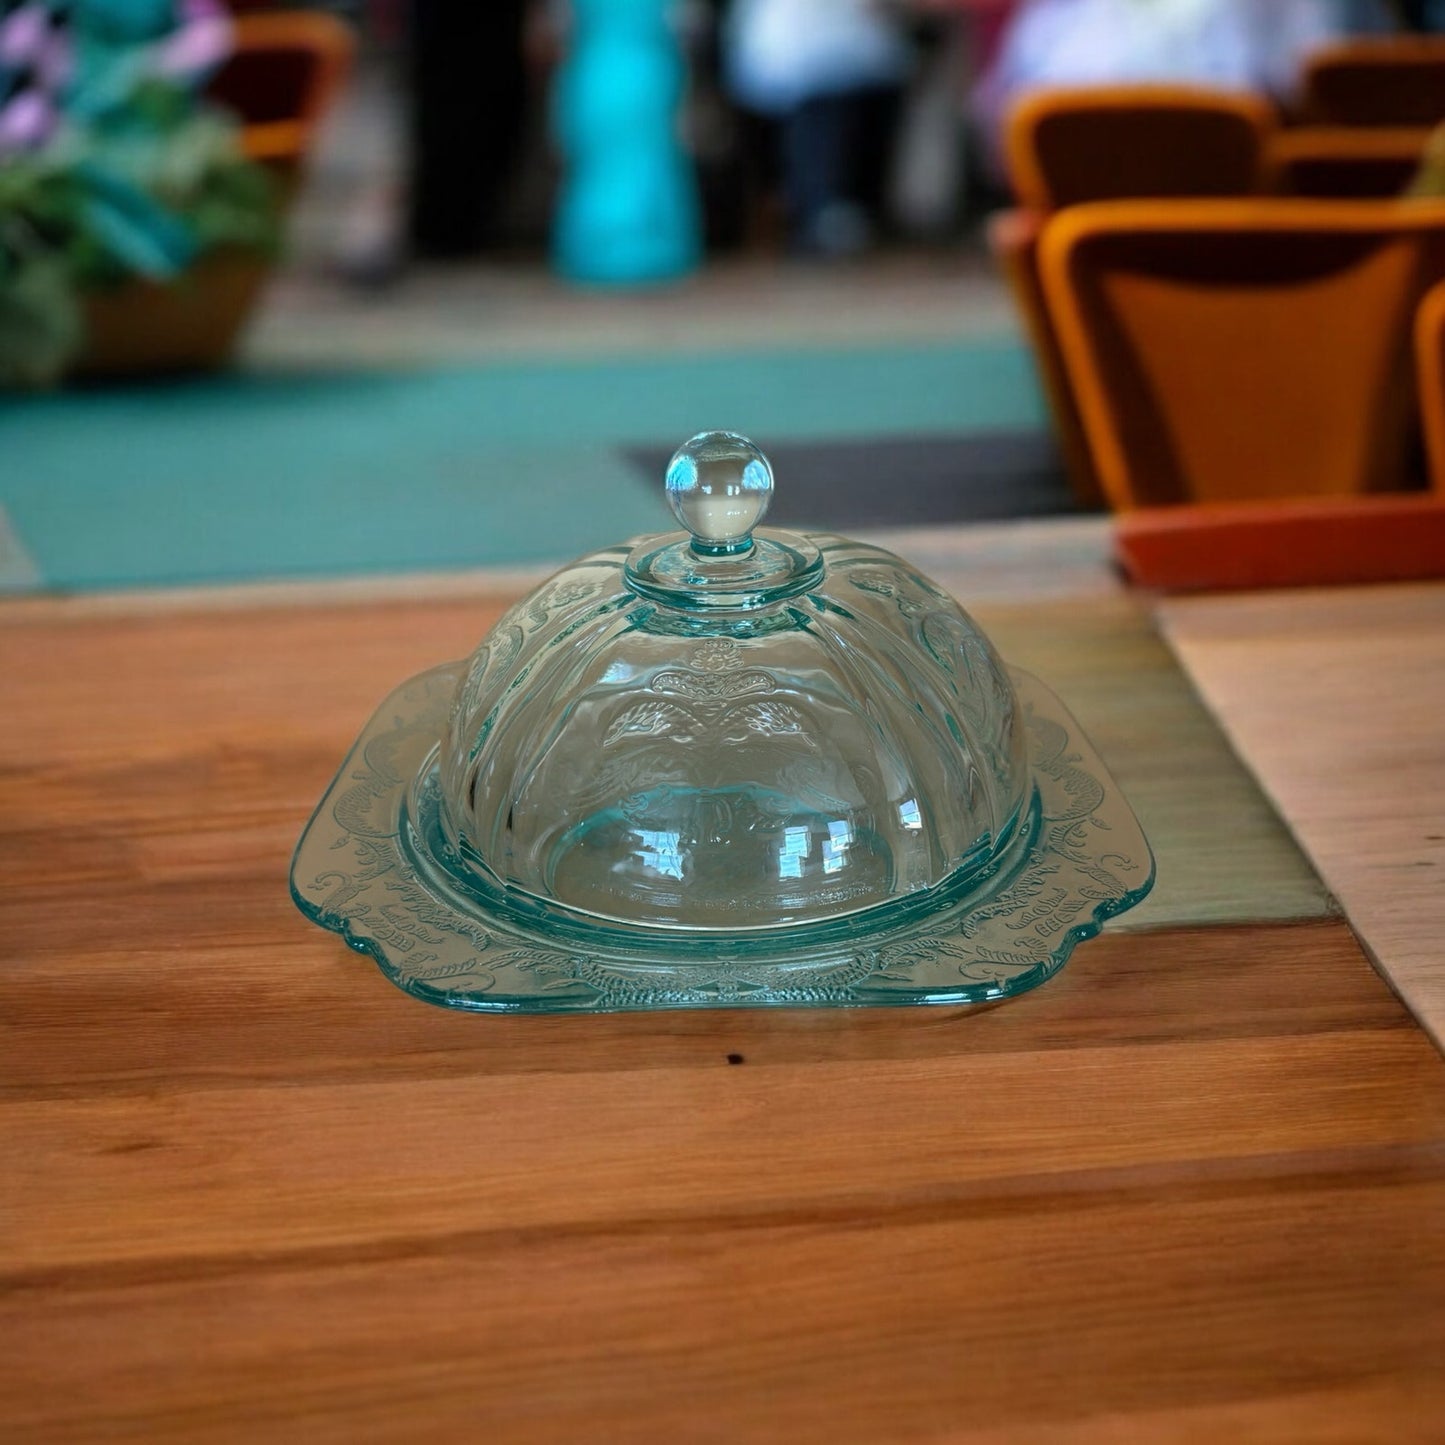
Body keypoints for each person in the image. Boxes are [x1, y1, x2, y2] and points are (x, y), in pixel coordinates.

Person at [723, 0, 912, 256]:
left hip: (848, 55)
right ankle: (819, 222)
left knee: (846, 156)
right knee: (820, 156)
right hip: (811, 54)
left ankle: (830, 221)